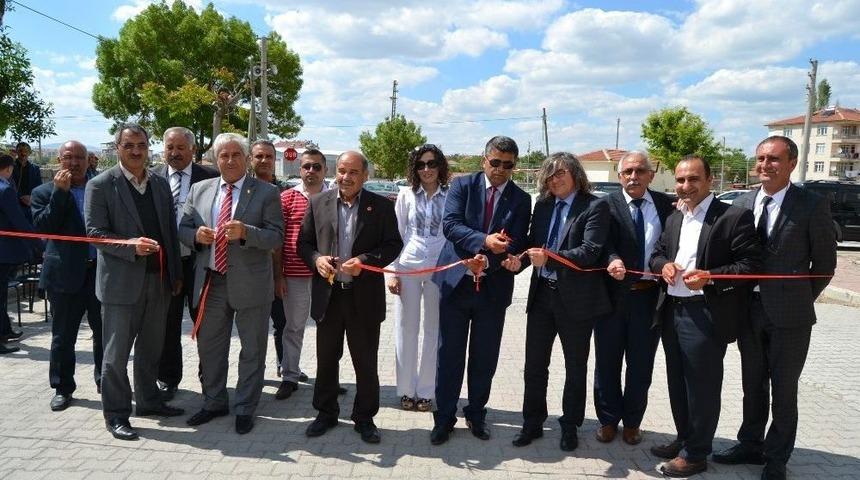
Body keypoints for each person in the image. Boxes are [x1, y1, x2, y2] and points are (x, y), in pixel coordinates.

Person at [712, 136, 837, 480]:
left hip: (790, 317)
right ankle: (749, 444)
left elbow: (825, 264)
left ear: (792, 163)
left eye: (774, 159)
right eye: (761, 159)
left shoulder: (811, 204)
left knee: (784, 389)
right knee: (753, 384)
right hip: (747, 310)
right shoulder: (742, 201)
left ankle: (777, 457)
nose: (765, 165)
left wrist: (796, 298)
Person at [649, 156, 761, 477]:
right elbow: (657, 253)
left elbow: (750, 266)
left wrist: (711, 276)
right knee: (677, 382)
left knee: (702, 386)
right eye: (681, 180)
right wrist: (663, 266)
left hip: (706, 313)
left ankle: (697, 453)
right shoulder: (674, 217)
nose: (686, 186)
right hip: (672, 309)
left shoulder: (733, 217)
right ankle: (685, 438)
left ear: (710, 180)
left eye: (693, 179)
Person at [85, 123, 185, 441]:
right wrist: (131, 246)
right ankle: (116, 414)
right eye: (129, 146)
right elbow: (95, 234)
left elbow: (169, 230)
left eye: (141, 145)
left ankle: (149, 401)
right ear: (118, 148)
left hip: (158, 281)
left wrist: (175, 274)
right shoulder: (101, 185)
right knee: (115, 356)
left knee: (151, 349)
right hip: (120, 284)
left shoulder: (158, 182)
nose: (136, 151)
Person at [430, 135, 531, 445]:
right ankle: (444, 418)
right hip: (456, 285)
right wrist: (482, 244)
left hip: (493, 289)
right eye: (495, 162)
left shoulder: (521, 198)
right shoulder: (462, 186)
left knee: (484, 358)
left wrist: (487, 262)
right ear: (484, 160)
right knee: (449, 356)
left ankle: (476, 413)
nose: (500, 169)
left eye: (508, 165)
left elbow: (517, 241)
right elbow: (451, 225)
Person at [505, 152, 610, 452]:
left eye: (560, 173)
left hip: (577, 301)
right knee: (534, 366)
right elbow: (531, 243)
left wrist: (550, 257)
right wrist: (518, 260)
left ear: (575, 173)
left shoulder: (594, 206)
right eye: (549, 175)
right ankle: (532, 423)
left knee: (575, 367)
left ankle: (570, 426)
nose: (555, 179)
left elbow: (590, 251)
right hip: (542, 297)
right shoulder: (543, 204)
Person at [179, 133, 283, 435]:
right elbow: (182, 228)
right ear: (215, 159)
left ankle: (245, 407)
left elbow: (276, 236)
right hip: (211, 281)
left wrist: (247, 232)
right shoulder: (199, 189)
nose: (230, 160)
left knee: (252, 349)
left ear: (247, 158)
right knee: (211, 348)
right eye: (223, 155)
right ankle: (214, 402)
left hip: (251, 283)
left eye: (236, 154)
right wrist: (195, 235)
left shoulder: (265, 192)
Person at [297, 151, 402, 444]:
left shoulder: (380, 206)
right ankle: (326, 412)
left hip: (364, 297)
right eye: (342, 171)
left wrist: (366, 260)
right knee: (327, 358)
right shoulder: (318, 202)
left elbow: (394, 244)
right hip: (329, 297)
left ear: (365, 176)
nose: (346, 177)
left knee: (365, 361)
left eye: (353, 172)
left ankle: (365, 417)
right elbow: (302, 244)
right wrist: (316, 259)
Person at [597, 151, 675, 445]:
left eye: (639, 171)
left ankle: (632, 423)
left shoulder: (667, 206)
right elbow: (599, 242)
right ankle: (607, 421)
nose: (633, 176)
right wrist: (612, 258)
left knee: (641, 365)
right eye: (627, 172)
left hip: (649, 297)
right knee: (607, 362)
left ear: (651, 175)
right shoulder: (604, 204)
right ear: (619, 176)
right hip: (612, 296)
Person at [31, 141, 104, 411]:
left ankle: (105, 382)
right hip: (64, 275)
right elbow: (44, 227)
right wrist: (60, 195)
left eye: (79, 158)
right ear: (60, 160)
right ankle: (63, 387)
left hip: (99, 272)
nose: (73, 163)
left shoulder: (101, 187)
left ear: (89, 160)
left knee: (104, 333)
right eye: (68, 158)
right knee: (63, 336)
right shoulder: (43, 192)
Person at [151, 126, 218, 401]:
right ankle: (168, 378)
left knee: (206, 323)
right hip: (164, 262)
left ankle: (209, 378)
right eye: (170, 148)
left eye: (181, 148)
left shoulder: (211, 177)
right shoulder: (152, 177)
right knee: (166, 323)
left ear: (192, 150)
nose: (175, 153)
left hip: (199, 261)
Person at [386, 144, 449, 412]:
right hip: (408, 267)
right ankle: (406, 390)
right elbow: (396, 234)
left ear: (440, 166)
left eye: (431, 163)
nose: (426, 169)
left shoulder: (450, 195)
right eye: (421, 164)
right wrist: (393, 270)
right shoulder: (406, 195)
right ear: (415, 168)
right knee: (406, 328)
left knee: (434, 330)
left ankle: (426, 391)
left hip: (439, 268)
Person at [274, 148, 329, 400]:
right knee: (294, 327)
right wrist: (279, 275)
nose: (311, 171)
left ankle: (330, 378)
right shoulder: (286, 198)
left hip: (327, 276)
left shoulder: (336, 197)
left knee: (328, 329)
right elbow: (278, 240)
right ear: (300, 169)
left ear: (325, 170)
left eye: (317, 167)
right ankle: (289, 375)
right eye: (307, 166)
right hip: (295, 274)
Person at [0, 153, 32, 354]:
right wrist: (38, 243)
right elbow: (18, 220)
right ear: (9, 169)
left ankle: (5, 330)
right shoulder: (5, 190)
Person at [11, 141, 41, 222]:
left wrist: (32, 198)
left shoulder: (35, 169)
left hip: (31, 204)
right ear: (17, 152)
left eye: (26, 151)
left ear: (29, 152)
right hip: (15, 203)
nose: (23, 153)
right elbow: (9, 184)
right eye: (20, 151)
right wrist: (21, 197)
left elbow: (39, 186)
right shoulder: (10, 168)